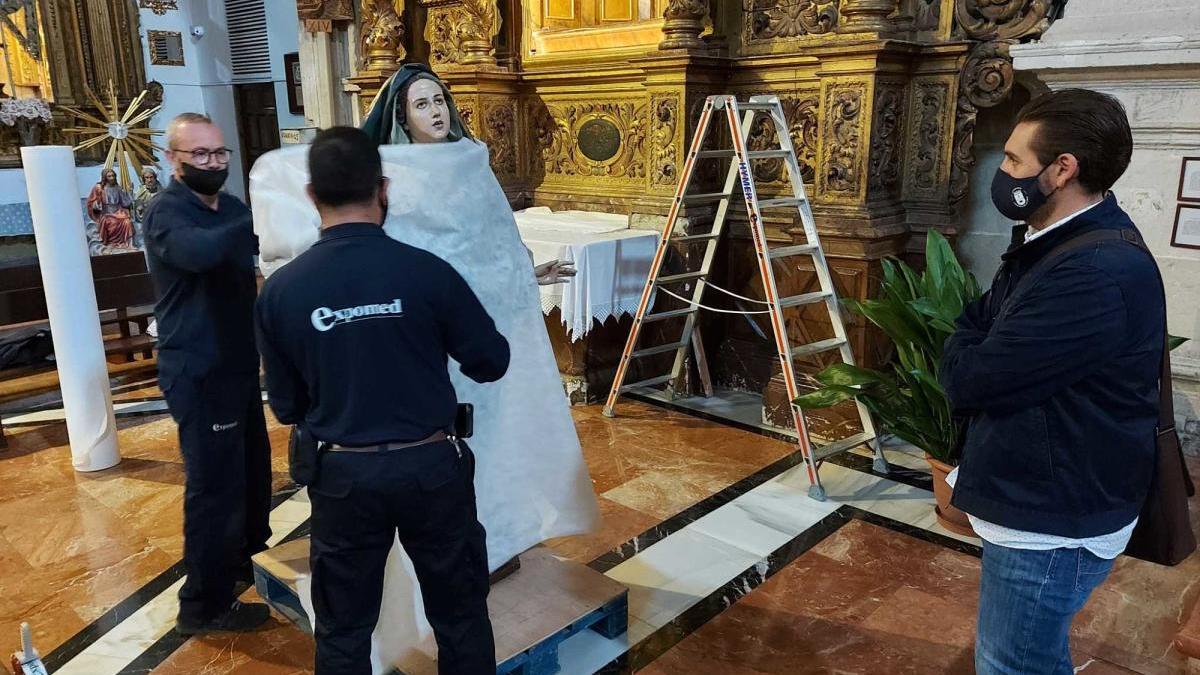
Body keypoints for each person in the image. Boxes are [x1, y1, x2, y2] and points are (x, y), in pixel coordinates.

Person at [255, 126, 509, 675]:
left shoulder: (282, 291)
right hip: (433, 469)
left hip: (343, 477)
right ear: (383, 188)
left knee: (344, 631)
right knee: (460, 616)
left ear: (311, 196)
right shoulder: (428, 273)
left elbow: (287, 407)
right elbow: (491, 362)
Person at [940, 89, 1165, 674]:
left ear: (1062, 169)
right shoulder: (1053, 241)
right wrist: (973, 339)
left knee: (1013, 664)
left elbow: (971, 380)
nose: (1003, 171)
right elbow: (978, 321)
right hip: (1043, 488)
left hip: (1052, 515)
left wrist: (966, 348)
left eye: (1014, 160)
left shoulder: (1093, 270)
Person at [143, 113, 272, 635]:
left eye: (219, 154)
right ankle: (203, 605)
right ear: (173, 159)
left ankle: (242, 560)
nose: (213, 163)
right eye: (200, 155)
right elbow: (202, 253)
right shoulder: (167, 212)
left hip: (238, 364)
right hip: (197, 369)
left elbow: (254, 267)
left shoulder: (234, 208)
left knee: (252, 476)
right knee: (213, 488)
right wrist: (263, 216)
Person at [363, 63, 575, 285]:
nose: (436, 111)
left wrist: (524, 275)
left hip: (474, 295)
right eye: (421, 105)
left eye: (439, 100)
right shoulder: (390, 172)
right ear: (403, 118)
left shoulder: (470, 159)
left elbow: (496, 233)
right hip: (419, 292)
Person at [88, 168, 135, 248]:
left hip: (118, 212)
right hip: (106, 212)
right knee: (110, 222)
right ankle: (108, 243)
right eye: (109, 176)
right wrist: (96, 205)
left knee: (127, 222)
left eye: (113, 176)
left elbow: (125, 203)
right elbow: (91, 202)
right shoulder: (99, 188)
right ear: (105, 177)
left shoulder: (118, 188)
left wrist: (130, 192)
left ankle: (130, 244)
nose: (112, 178)